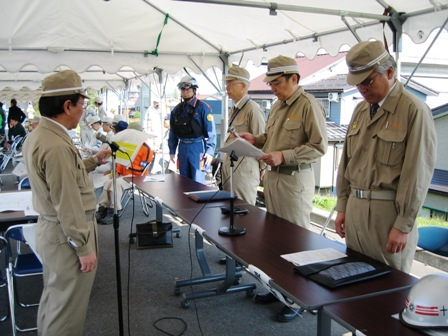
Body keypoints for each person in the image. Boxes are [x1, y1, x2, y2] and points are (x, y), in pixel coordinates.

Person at [335, 41, 437, 274]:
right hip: (356, 208)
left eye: (367, 81)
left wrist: (403, 224)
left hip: (387, 215)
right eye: (357, 83)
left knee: (386, 290)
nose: (362, 89)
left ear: (389, 72)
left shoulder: (414, 110)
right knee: (351, 279)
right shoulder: (360, 110)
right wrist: (342, 206)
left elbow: (417, 174)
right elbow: (347, 162)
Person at [239, 55, 327, 322]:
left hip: (294, 180)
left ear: (294, 79)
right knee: (274, 240)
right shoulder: (278, 106)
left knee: (296, 242)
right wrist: (256, 139)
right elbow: (272, 139)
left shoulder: (309, 105)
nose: (273, 88)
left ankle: (296, 299)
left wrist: (284, 156)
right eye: (271, 84)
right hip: (275, 178)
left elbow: (318, 147)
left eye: (277, 83)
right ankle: (278, 290)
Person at [22, 69, 109, 336]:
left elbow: (63, 177)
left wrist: (94, 160)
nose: (84, 111)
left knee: (55, 302)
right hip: (67, 232)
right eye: (82, 104)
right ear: (67, 105)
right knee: (67, 314)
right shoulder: (56, 144)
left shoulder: (42, 134)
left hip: (54, 231)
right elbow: (66, 200)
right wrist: (83, 246)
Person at [221, 65, 266, 205]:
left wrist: (263, 166)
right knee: (231, 211)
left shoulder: (252, 109)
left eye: (230, 84)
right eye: (226, 84)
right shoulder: (236, 108)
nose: (226, 88)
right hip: (232, 167)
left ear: (242, 86)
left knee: (244, 211)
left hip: (245, 169)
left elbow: (261, 140)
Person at [96, 122, 154, 224]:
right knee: (108, 182)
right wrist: (117, 172)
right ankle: (103, 207)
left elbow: (141, 169)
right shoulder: (127, 145)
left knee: (116, 184)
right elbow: (119, 162)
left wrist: (127, 166)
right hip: (124, 175)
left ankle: (115, 211)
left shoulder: (146, 149)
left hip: (137, 177)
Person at [168, 75, 216, 184]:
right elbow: (173, 132)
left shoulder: (203, 108)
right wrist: (172, 150)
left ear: (194, 90)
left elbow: (211, 132)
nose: (185, 92)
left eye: (187, 89)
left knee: (198, 181)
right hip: (183, 147)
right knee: (184, 182)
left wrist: (210, 151)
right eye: (182, 90)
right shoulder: (177, 110)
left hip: (197, 148)